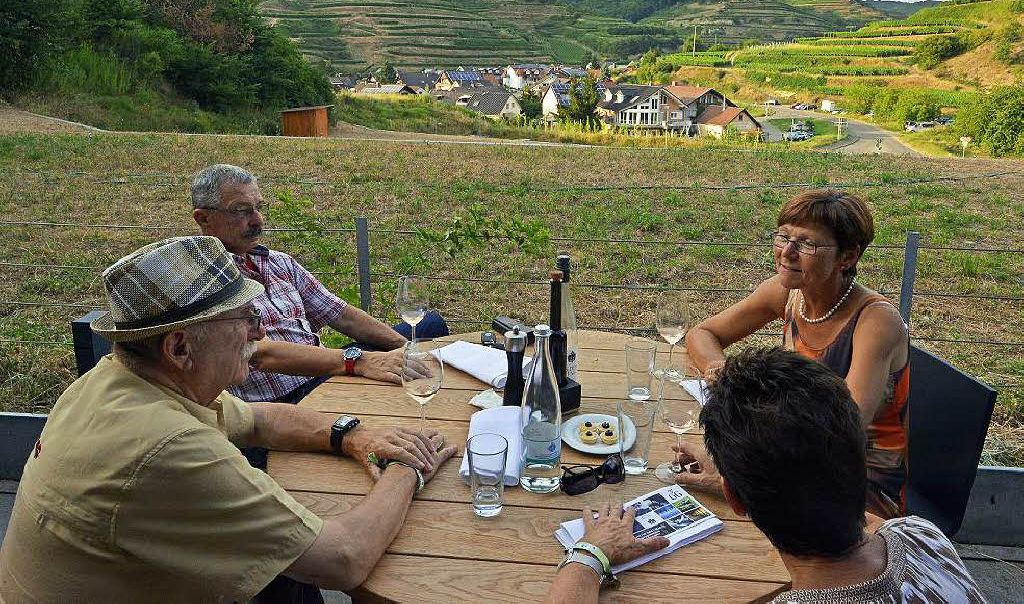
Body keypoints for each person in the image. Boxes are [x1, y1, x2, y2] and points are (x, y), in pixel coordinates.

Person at [0, 236, 455, 603]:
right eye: (245, 317)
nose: (260, 331)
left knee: (278, 561)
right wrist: (409, 464)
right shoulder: (168, 447)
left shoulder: (115, 380)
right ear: (180, 349)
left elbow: (257, 420)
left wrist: (351, 434)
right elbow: (343, 560)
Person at [543, 349, 984, 604]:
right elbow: (841, 506)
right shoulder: (923, 537)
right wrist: (743, 479)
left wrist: (591, 553)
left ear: (735, 500)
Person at [191, 164, 449, 467]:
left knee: (428, 326)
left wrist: (404, 349)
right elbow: (257, 354)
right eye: (241, 211)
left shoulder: (279, 262)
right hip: (276, 406)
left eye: (259, 208)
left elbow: (342, 315)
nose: (257, 220)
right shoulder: (203, 278)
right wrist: (359, 361)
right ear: (204, 218)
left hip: (327, 371)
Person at [686, 189, 909, 518]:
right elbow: (702, 334)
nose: (787, 253)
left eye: (806, 244)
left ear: (847, 257)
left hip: (860, 488)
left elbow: (840, 431)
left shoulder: (876, 321)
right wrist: (724, 376)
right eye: (783, 237)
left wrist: (739, 470)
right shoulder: (788, 293)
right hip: (792, 458)